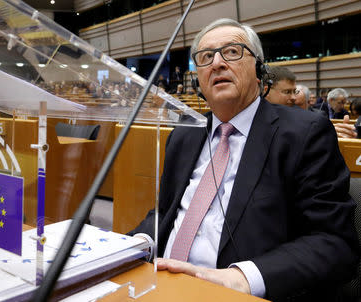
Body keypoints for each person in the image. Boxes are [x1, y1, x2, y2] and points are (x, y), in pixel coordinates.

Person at [130, 18, 357, 301]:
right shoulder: (182, 137)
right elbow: (166, 213)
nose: (217, 63)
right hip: (159, 284)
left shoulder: (304, 134)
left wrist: (241, 279)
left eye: (233, 52)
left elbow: (334, 243)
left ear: (259, 70)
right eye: (206, 57)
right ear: (197, 78)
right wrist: (136, 244)